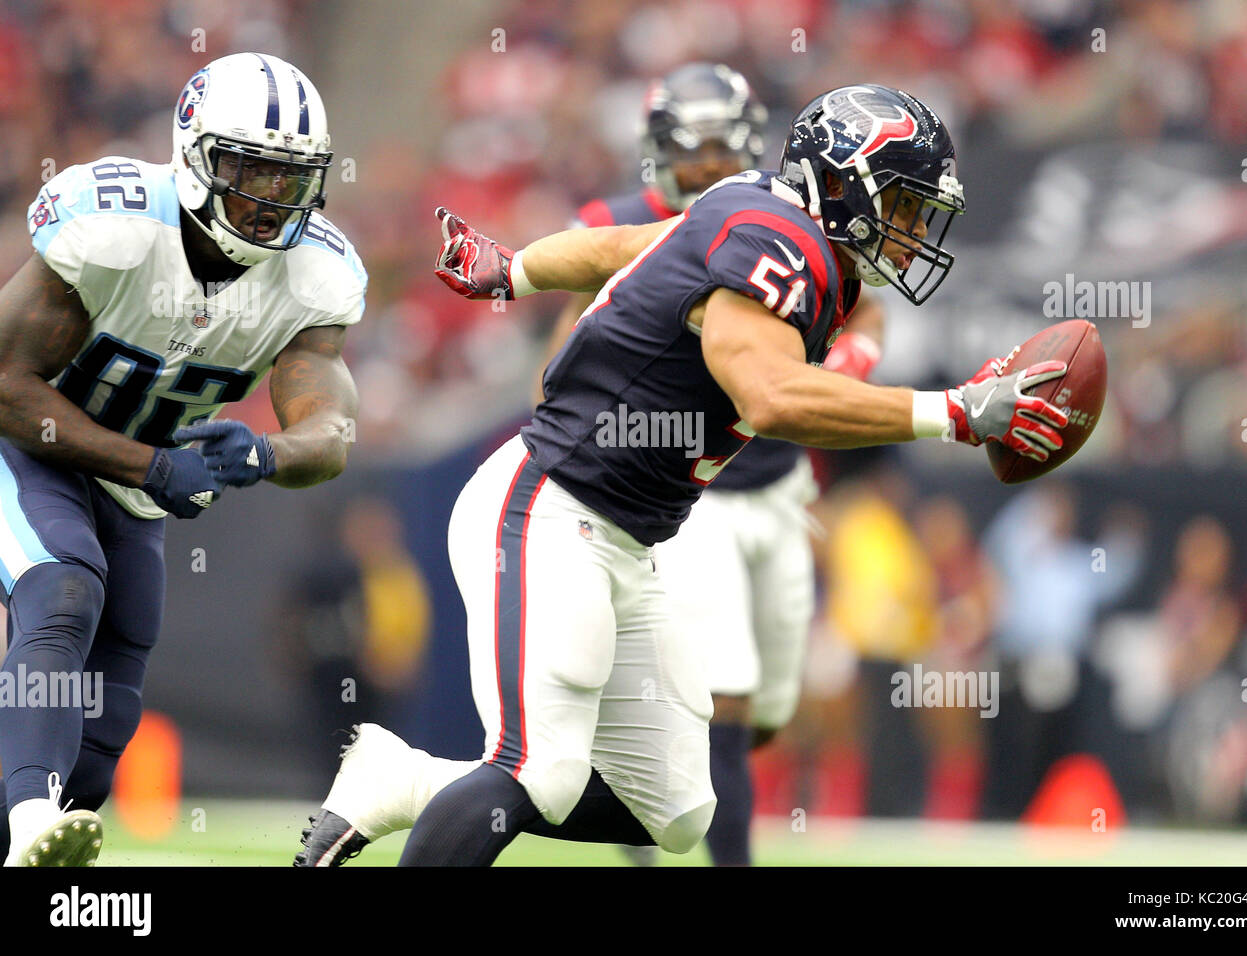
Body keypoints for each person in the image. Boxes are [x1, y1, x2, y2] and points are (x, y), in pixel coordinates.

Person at [297, 83, 1068, 867]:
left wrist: (516, 270)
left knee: (670, 807)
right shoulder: (778, 243)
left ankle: (402, 781)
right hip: (549, 508)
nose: (913, 231)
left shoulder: (769, 222)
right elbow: (770, 398)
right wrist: (956, 413)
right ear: (840, 184)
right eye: (904, 206)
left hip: (628, 537)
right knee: (541, 772)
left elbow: (616, 249)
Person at [0, 51, 364, 866]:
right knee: (63, 589)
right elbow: (4, 384)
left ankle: (25, 845)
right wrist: (151, 466)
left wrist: (266, 452)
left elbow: (331, 429)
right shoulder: (117, 225)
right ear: (197, 156)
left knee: (105, 721)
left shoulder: (316, 275)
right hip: (29, 447)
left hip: (133, 492)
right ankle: (26, 817)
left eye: (291, 178)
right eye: (253, 171)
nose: (273, 201)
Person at [540, 63, 884, 866]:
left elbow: (866, 301)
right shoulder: (623, 223)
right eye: (688, 154)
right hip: (691, 495)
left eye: (719, 153)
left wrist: (856, 354)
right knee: (725, 701)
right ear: (656, 152)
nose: (703, 171)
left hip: (780, 485)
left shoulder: (790, 211)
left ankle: (635, 775)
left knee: (763, 712)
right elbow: (568, 355)